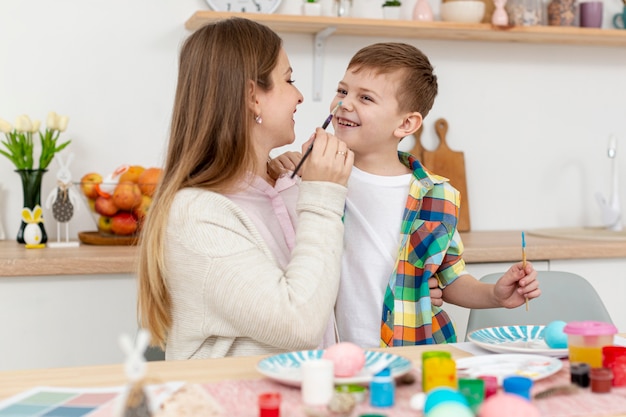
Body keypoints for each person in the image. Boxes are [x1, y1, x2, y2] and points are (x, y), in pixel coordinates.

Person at [275, 43, 540, 348]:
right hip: (334, 354)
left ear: (406, 124)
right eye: (342, 90)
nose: (345, 104)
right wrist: (278, 169)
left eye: (365, 98)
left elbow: (450, 279)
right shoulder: (317, 174)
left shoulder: (438, 196)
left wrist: (494, 295)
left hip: (414, 353)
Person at [137, 17, 354, 360]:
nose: (299, 95)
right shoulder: (196, 215)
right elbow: (298, 323)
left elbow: (319, 285)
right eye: (289, 80)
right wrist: (322, 194)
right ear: (253, 96)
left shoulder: (281, 188)